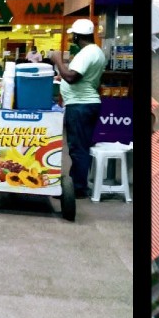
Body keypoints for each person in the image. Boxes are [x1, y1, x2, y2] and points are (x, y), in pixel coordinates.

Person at [50, 17, 108, 201]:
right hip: (84, 103)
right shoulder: (95, 52)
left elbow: (72, 77)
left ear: (77, 36)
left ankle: (77, 188)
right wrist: (63, 78)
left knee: (78, 148)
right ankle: (77, 183)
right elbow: (86, 79)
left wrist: (58, 60)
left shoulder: (87, 53)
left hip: (80, 105)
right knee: (80, 146)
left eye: (73, 35)